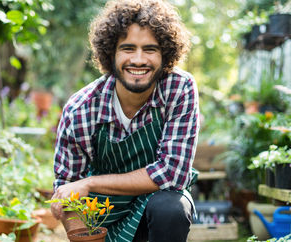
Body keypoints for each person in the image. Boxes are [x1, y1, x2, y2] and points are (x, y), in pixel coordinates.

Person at [51, 0, 199, 241]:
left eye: (150, 49)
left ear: (165, 55)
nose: (139, 60)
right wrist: (83, 233)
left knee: (172, 209)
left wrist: (90, 182)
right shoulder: (81, 110)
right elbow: (67, 187)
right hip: (103, 215)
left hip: (157, 206)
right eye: (128, 48)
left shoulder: (179, 89)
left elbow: (172, 173)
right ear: (111, 53)